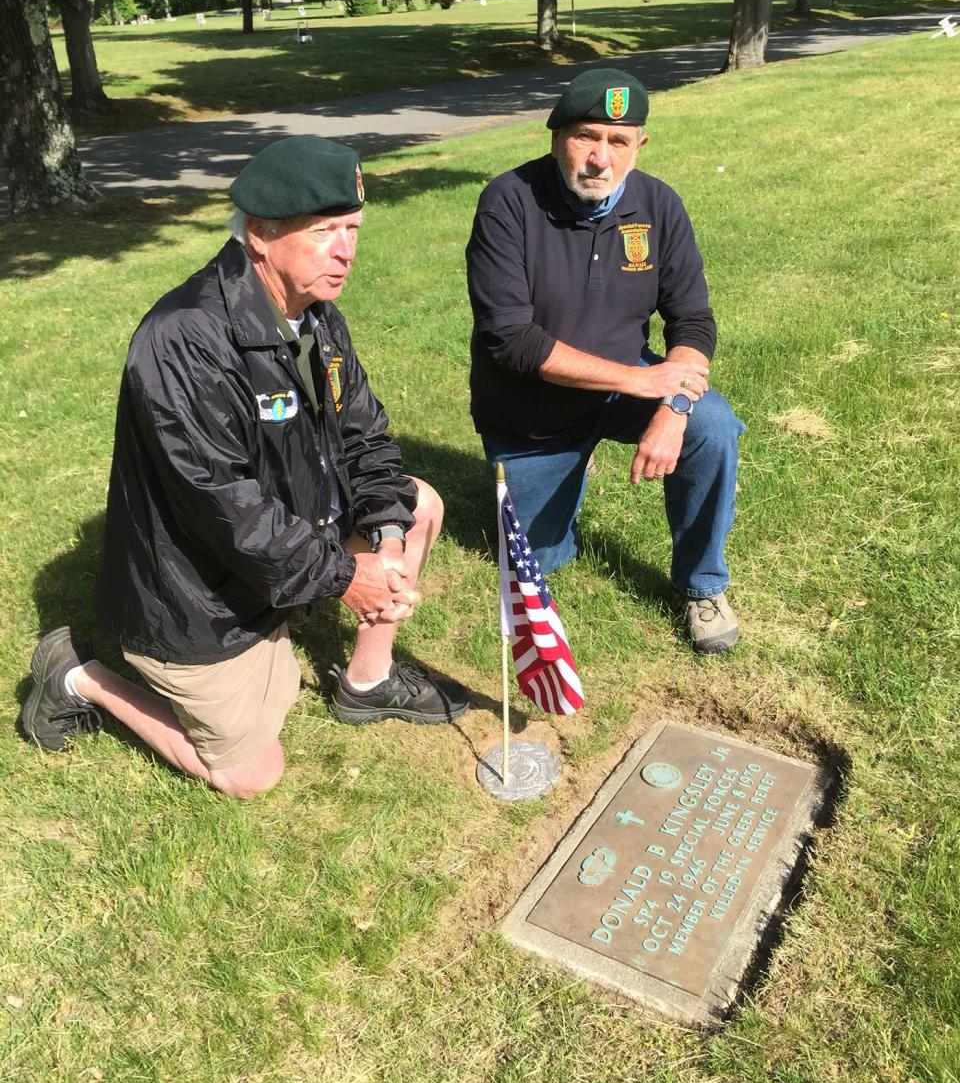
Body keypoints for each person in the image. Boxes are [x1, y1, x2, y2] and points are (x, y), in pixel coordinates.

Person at [22, 136, 468, 798]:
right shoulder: (180, 341)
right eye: (326, 232)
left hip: (281, 549)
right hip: (198, 592)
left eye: (353, 228)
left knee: (416, 504)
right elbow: (225, 508)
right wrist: (349, 576)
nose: (347, 249)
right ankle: (73, 675)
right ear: (261, 234)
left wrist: (387, 544)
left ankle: (366, 684)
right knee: (253, 775)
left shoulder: (314, 315)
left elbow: (364, 435)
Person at [466, 68, 744, 654]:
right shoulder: (507, 202)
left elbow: (692, 319)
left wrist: (674, 403)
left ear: (639, 146)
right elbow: (511, 339)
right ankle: (568, 462)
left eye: (618, 142)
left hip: (625, 390)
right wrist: (644, 377)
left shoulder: (659, 204)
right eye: (585, 137)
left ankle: (703, 585)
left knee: (711, 424)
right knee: (539, 563)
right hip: (530, 409)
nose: (600, 158)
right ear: (555, 136)